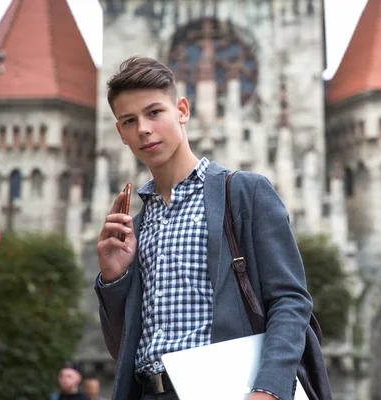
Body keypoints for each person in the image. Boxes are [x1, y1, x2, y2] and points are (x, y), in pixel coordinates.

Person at [94, 56, 315, 400]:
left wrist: (268, 388)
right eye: (129, 120)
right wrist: (113, 280)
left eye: (154, 113)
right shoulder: (135, 228)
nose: (144, 129)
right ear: (121, 133)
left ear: (182, 110)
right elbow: (119, 346)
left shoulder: (244, 192)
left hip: (226, 389)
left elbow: (290, 300)